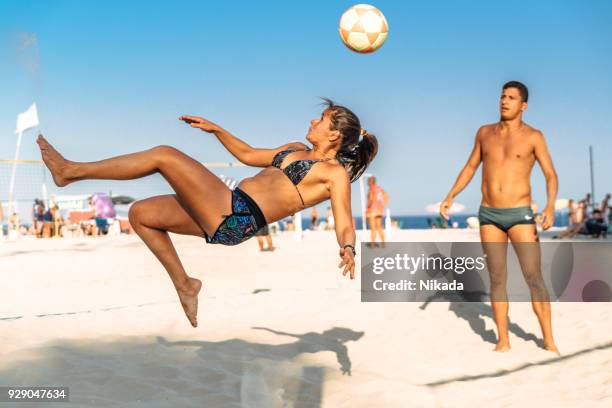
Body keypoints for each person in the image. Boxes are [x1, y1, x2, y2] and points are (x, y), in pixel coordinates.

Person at [36, 99, 378, 327]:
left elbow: (345, 220)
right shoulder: (294, 148)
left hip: (237, 216)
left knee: (165, 155)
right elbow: (246, 154)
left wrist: (347, 248)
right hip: (227, 204)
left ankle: (70, 172)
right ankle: (186, 284)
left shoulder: (333, 174)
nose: (313, 120)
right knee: (141, 214)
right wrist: (216, 130)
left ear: (334, 134)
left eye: (321, 120)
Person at [440, 81, 560, 354]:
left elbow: (550, 174)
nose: (504, 101)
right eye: (502, 96)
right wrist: (451, 195)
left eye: (511, 98)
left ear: (523, 105)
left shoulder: (534, 136)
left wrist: (550, 206)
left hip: (520, 214)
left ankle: (549, 340)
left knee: (533, 277)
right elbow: (471, 166)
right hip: (489, 215)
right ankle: (503, 339)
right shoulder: (484, 133)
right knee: (497, 279)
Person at [366, 175, 389, 247]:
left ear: (370, 182)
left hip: (372, 210)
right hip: (379, 211)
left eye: (368, 181)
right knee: (379, 227)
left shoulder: (371, 189)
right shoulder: (379, 189)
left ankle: (373, 244)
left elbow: (371, 199)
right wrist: (383, 205)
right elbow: (386, 197)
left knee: (373, 229)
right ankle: (383, 243)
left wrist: (367, 208)